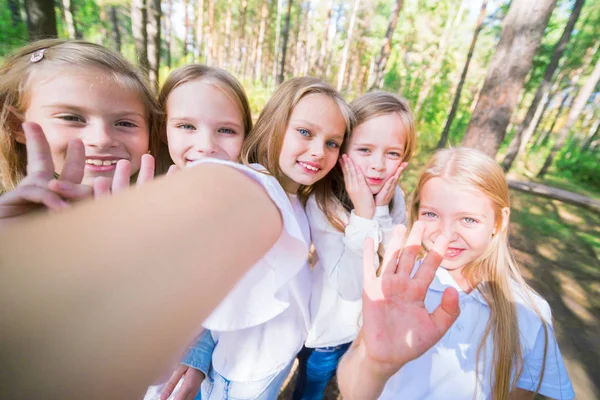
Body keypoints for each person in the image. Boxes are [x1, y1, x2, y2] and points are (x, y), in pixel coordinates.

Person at [157, 76, 353, 400]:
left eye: (332, 142)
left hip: (269, 361)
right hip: (240, 372)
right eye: (305, 132)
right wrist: (196, 345)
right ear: (275, 126)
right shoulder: (255, 187)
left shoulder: (298, 199)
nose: (318, 151)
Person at [341, 148, 575, 400]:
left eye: (468, 220)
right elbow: (352, 392)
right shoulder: (398, 285)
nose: (446, 234)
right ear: (417, 211)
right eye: (431, 214)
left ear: (499, 220)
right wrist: (378, 366)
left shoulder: (530, 313)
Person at [293, 91, 415, 399]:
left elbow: (394, 264)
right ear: (344, 147)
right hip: (327, 335)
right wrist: (363, 214)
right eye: (364, 149)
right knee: (311, 391)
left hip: (365, 330)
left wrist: (383, 210)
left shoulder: (394, 196)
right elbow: (350, 287)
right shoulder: (323, 203)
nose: (377, 166)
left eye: (392, 154)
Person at [143, 64, 253, 400]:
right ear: (164, 130)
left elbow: (229, 290)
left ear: (246, 136)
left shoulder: (245, 207)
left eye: (226, 130)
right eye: (186, 126)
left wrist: (199, 346)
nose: (205, 145)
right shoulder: (140, 191)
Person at [0, 39, 162, 222]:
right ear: (17, 125)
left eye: (125, 123)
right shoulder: (9, 218)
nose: (102, 139)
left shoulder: (169, 212)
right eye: (71, 118)